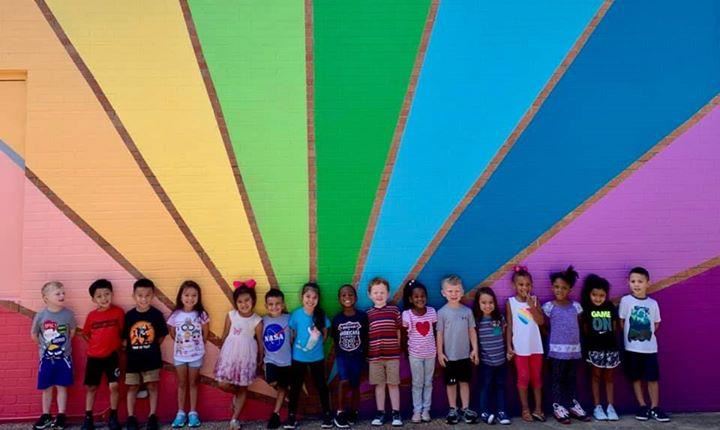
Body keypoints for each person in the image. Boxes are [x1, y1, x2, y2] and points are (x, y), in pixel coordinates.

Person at [619, 267, 669, 422]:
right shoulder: (625, 301)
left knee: (652, 378)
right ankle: (642, 406)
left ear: (648, 283)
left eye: (640, 281)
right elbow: (621, 321)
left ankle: (654, 407)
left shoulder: (653, 303)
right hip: (632, 348)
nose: (636, 285)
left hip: (650, 349)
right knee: (636, 378)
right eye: (633, 281)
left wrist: (645, 335)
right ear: (628, 282)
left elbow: (656, 323)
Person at [542, 266, 589, 423]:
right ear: (552, 287)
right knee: (557, 379)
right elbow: (542, 325)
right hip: (556, 352)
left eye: (564, 287)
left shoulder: (576, 307)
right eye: (556, 287)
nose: (559, 290)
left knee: (572, 379)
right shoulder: (549, 307)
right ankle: (558, 406)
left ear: (570, 289)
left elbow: (581, 325)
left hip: (574, 351)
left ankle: (573, 404)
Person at [215, 280, 263, 430]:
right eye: (240, 301)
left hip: (246, 356)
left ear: (253, 300)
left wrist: (260, 358)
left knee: (243, 387)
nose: (244, 304)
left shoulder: (257, 320)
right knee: (222, 383)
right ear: (235, 303)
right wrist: (221, 354)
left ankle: (234, 420)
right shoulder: (231, 315)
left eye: (247, 300)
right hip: (229, 355)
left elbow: (260, 342)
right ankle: (236, 395)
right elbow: (224, 336)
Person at [285, 282, 333, 429]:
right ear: (302, 297)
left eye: (314, 297)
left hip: (317, 358)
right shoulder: (296, 314)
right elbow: (292, 333)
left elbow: (325, 333)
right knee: (295, 387)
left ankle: (327, 415)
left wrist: (318, 346)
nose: (310, 300)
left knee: (321, 386)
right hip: (298, 358)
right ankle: (291, 417)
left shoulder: (321, 314)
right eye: (308, 296)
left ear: (318, 299)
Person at [123, 278, 168, 430]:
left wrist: (150, 347)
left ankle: (152, 416)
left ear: (153, 296)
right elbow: (125, 338)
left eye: (147, 295)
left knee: (152, 386)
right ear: (133, 296)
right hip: (133, 360)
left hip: (152, 359)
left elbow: (161, 336)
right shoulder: (129, 316)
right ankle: (131, 417)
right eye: (140, 295)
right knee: (132, 387)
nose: (144, 299)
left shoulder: (156, 315)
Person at [31, 281, 77, 430]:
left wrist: (63, 347)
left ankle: (61, 416)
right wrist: (43, 347)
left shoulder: (68, 314)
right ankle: (46, 416)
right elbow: (34, 334)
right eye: (57, 293)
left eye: (63, 293)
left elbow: (72, 332)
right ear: (46, 298)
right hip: (46, 359)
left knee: (62, 386)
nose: (62, 295)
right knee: (47, 387)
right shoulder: (41, 315)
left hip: (64, 358)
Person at [81, 279, 124, 430]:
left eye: (107, 294)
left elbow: (122, 331)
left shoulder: (118, 312)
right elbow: (86, 334)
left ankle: (113, 417)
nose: (104, 298)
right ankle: (88, 418)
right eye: (99, 296)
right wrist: (95, 345)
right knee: (91, 387)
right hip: (94, 357)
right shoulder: (92, 316)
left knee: (114, 386)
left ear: (112, 294)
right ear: (93, 299)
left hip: (112, 356)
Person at [436, 275, 478, 425]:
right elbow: (439, 333)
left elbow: (472, 331)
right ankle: (453, 409)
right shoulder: (441, 313)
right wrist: (440, 353)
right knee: (451, 383)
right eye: (450, 291)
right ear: (443, 293)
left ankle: (465, 409)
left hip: (465, 356)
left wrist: (475, 350)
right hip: (450, 357)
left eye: (456, 291)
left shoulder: (467, 312)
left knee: (464, 382)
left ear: (462, 292)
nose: (454, 294)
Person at [505, 266, 545, 422]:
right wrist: (508, 345)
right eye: (521, 284)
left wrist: (532, 306)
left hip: (536, 347)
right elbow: (509, 325)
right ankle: (525, 409)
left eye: (528, 284)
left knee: (536, 377)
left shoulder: (534, 300)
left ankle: (538, 409)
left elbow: (541, 321)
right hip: (520, 348)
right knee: (523, 377)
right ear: (514, 286)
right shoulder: (510, 303)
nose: (525, 288)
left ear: (532, 285)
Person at [168, 281, 210, 428]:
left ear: (198, 297)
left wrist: (199, 344)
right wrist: (182, 345)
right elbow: (172, 333)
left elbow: (205, 332)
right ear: (181, 296)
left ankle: (192, 412)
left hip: (196, 355)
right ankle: (180, 413)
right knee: (181, 384)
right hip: (179, 355)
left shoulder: (201, 314)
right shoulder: (176, 315)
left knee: (193, 383)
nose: (190, 298)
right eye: (186, 295)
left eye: (194, 295)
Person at [581, 274, 620, 421]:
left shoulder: (610, 307)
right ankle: (597, 407)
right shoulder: (587, 309)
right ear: (589, 294)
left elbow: (615, 328)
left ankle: (610, 406)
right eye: (594, 295)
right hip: (594, 349)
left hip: (610, 349)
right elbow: (585, 329)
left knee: (609, 378)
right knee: (596, 377)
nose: (598, 298)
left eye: (601, 295)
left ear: (606, 295)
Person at [366, 277, 403, 427]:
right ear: (369, 295)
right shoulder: (367, 313)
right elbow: (367, 335)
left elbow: (399, 331)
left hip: (393, 356)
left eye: (382, 292)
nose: (379, 295)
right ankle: (380, 413)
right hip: (375, 357)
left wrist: (397, 347)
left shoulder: (394, 310)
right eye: (375, 292)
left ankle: (396, 413)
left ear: (388, 294)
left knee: (393, 384)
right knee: (379, 385)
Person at [331, 284, 368, 428]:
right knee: (343, 381)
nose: (347, 297)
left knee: (355, 385)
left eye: (350, 294)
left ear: (356, 297)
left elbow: (365, 337)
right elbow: (335, 338)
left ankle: (354, 411)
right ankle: (340, 412)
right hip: (343, 356)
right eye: (343, 295)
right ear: (339, 299)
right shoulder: (337, 319)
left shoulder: (362, 316)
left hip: (358, 356)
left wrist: (365, 356)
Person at [473, 287, 510, 425]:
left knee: (500, 386)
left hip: (501, 361)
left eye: (491, 302)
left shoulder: (499, 319)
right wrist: (475, 353)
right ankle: (484, 411)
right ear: (478, 303)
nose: (488, 306)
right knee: (485, 386)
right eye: (484, 302)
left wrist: (508, 350)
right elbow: (474, 339)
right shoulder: (477, 320)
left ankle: (502, 411)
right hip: (486, 362)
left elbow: (503, 336)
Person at [401, 280, 437, 423]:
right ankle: (417, 411)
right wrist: (406, 352)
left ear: (426, 297)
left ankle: (426, 410)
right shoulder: (407, 314)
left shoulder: (432, 312)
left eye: (422, 296)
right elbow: (404, 336)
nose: (420, 299)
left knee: (428, 382)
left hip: (431, 354)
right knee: (417, 383)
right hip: (415, 355)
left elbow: (434, 331)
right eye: (416, 296)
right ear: (410, 299)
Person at [262, 288, 292, 429]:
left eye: (278, 303)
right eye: (271, 304)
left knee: (283, 387)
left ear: (283, 304)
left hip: (287, 361)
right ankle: (286, 392)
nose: (274, 307)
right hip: (270, 360)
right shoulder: (263, 320)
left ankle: (276, 414)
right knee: (272, 381)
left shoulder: (288, 318)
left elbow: (294, 335)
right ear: (266, 306)